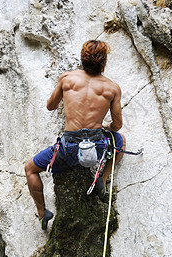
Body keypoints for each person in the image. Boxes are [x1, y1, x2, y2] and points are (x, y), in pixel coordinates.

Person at [25, 40, 126, 230]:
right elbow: (117, 125)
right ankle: (101, 180)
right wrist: (104, 125)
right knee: (120, 142)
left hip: (67, 149)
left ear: (82, 59)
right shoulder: (112, 88)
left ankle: (42, 213)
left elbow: (50, 106)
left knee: (30, 169)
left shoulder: (67, 79)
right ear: (103, 62)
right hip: (96, 147)